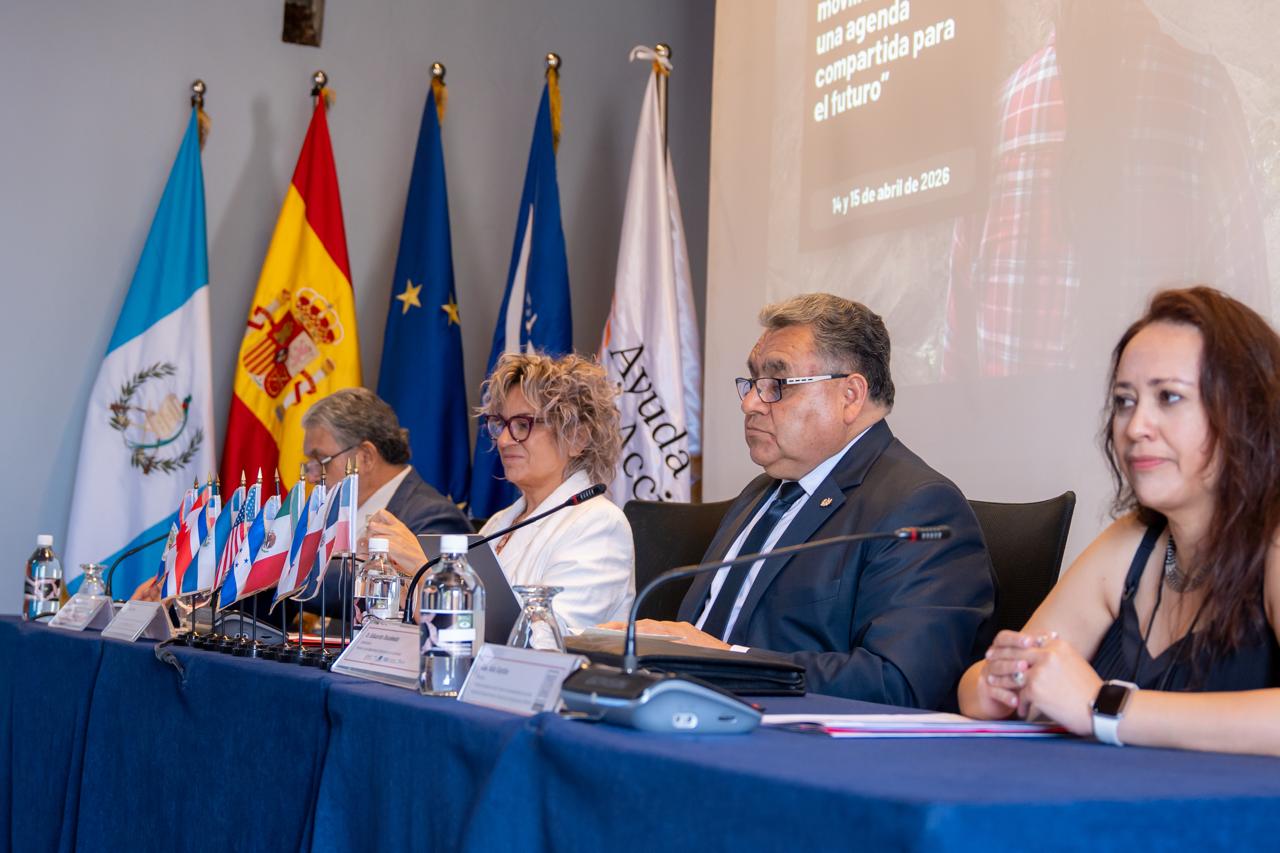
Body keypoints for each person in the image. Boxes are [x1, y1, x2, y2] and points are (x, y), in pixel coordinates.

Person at [609, 294, 995, 708]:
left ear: (850, 395)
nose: (750, 403)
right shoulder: (763, 492)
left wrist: (722, 661)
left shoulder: (919, 505)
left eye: (777, 384)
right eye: (753, 382)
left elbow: (899, 683)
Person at [958, 287, 1280, 756]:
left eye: (1169, 397)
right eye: (1125, 401)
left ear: (1246, 411)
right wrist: (995, 684)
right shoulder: (1132, 540)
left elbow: (1090, 703)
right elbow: (978, 685)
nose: (1135, 426)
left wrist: (1103, 705)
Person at [392, 352, 635, 631]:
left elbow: (547, 639)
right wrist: (403, 586)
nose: (505, 441)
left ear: (577, 438)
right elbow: (459, 628)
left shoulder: (600, 524)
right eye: (502, 424)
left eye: (523, 425)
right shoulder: (500, 521)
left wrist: (430, 574)